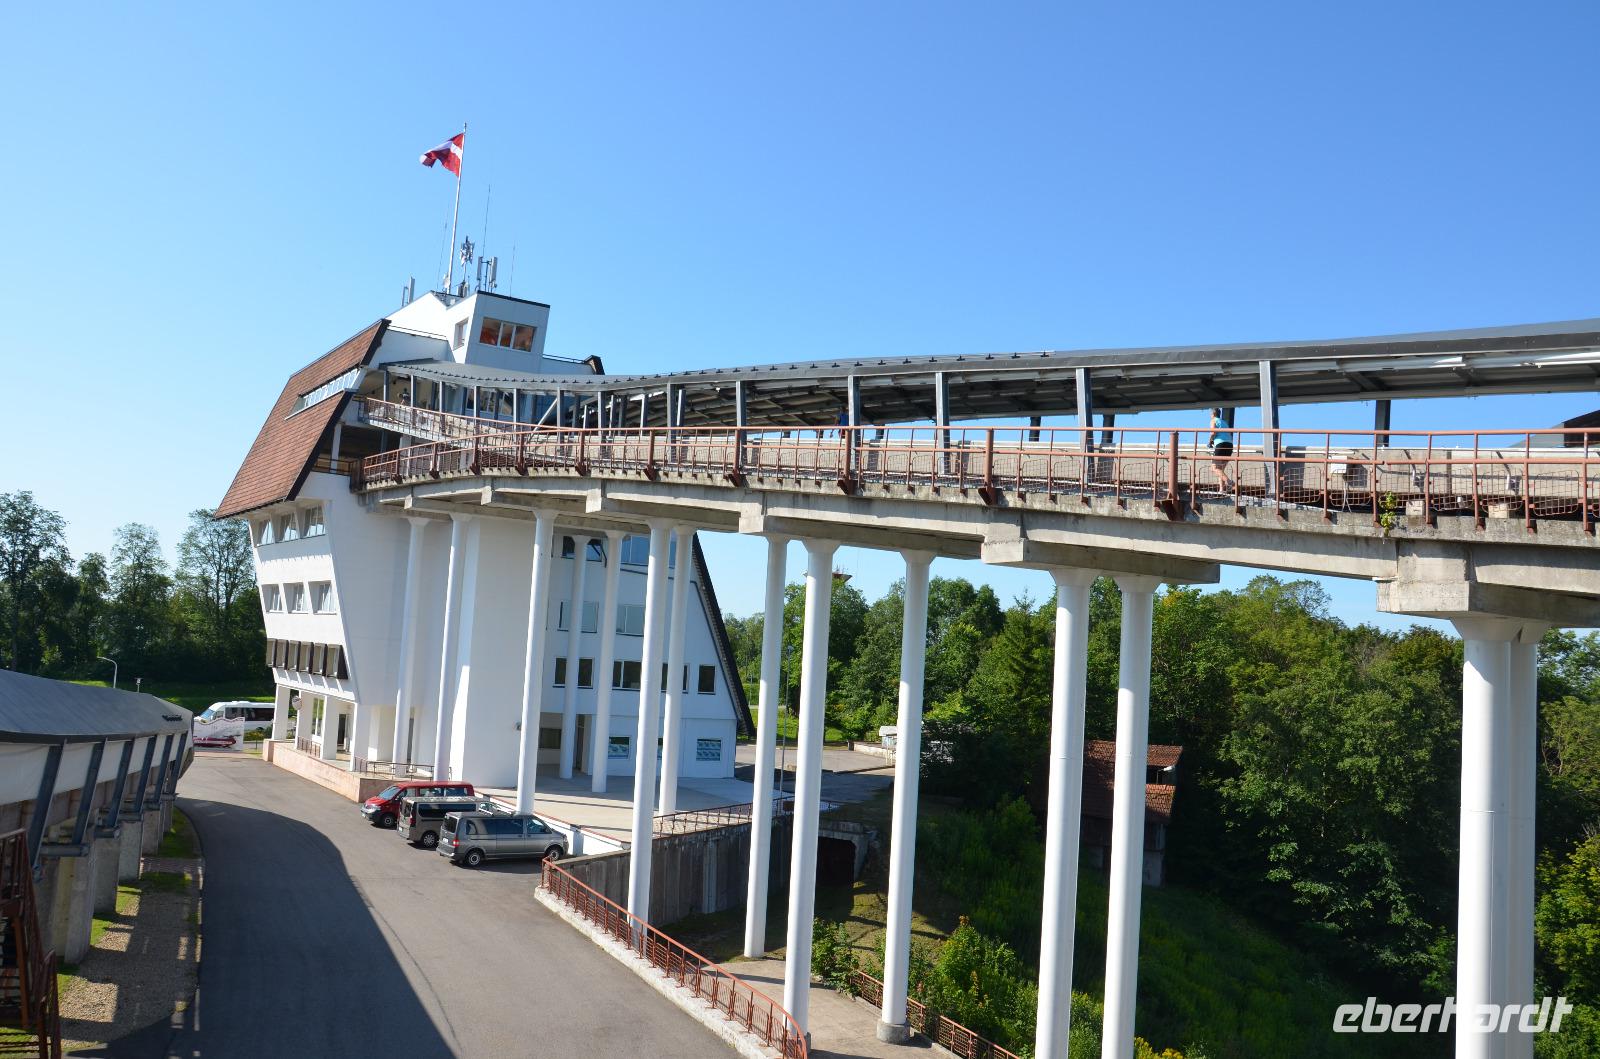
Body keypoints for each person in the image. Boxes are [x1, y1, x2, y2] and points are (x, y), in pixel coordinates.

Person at [1208, 408, 1235, 493]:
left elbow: (1213, 432)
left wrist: (1210, 441)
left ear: (1213, 414)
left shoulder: (1213, 420)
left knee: (1214, 468)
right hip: (1229, 445)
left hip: (1221, 444)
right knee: (1220, 469)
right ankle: (1221, 490)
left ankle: (1229, 482)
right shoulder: (1224, 422)